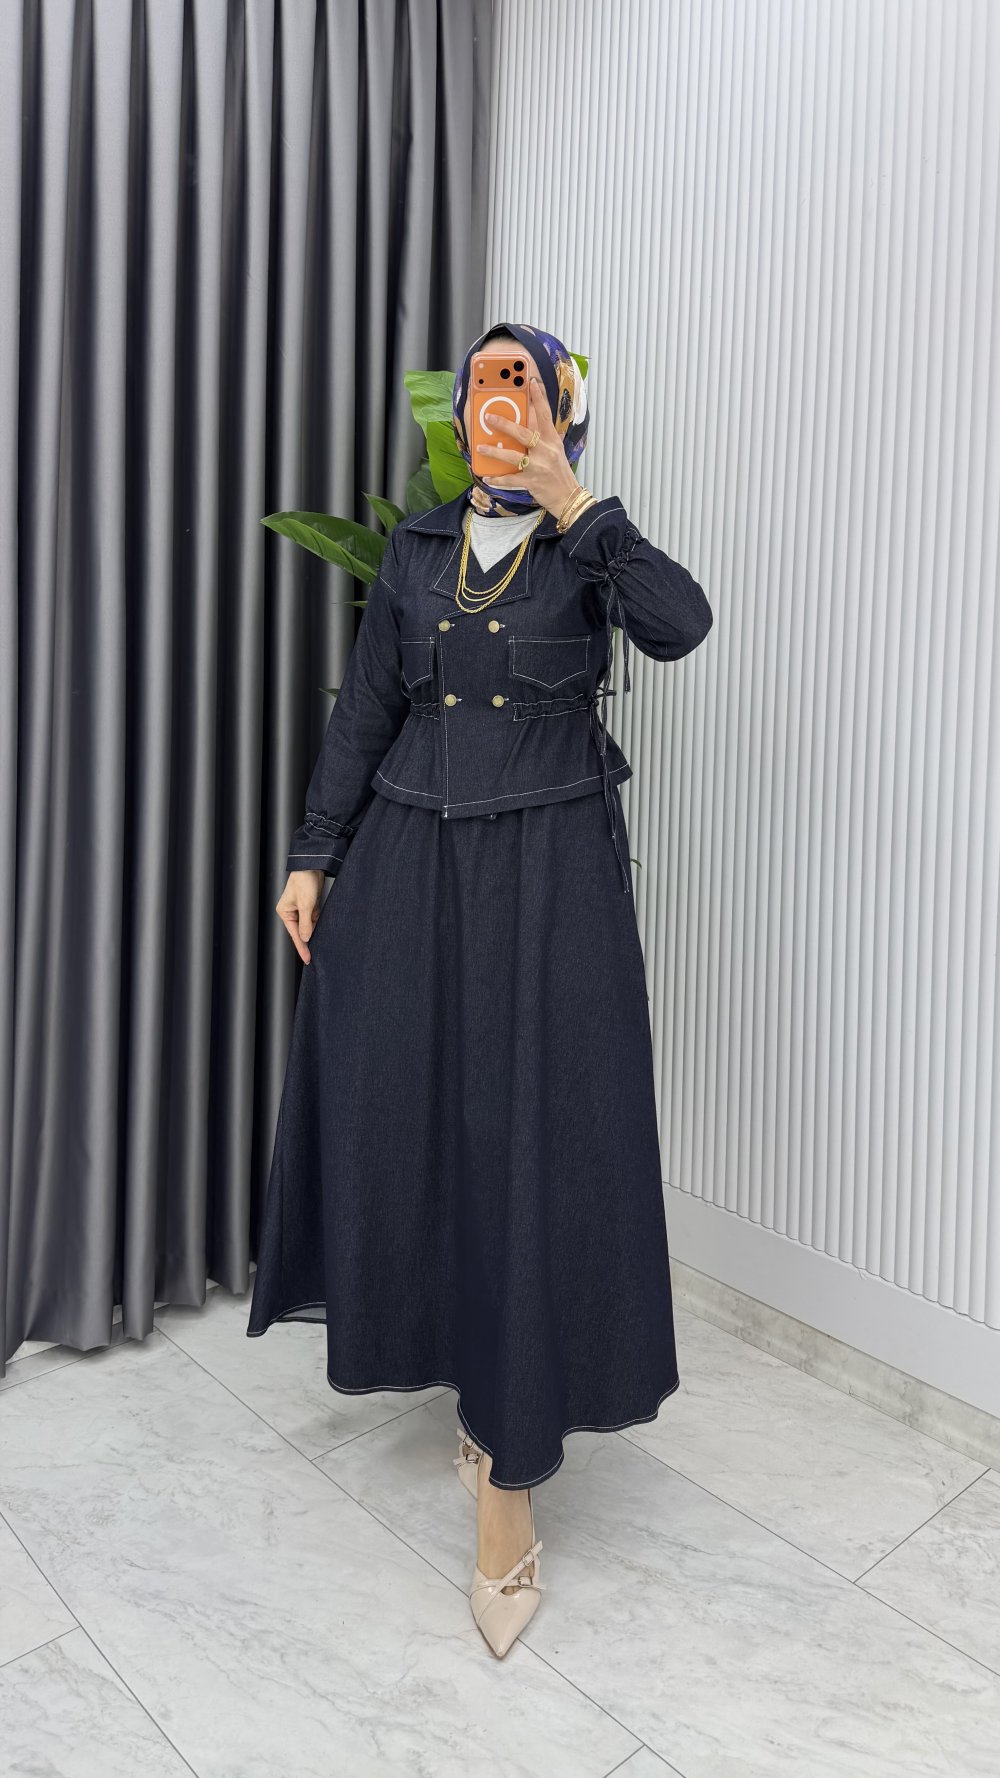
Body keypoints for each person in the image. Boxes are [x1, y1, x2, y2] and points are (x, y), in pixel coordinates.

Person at [247, 320, 713, 1657]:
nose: (499, 400)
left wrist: (577, 500)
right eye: (484, 383)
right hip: (409, 870)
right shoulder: (413, 551)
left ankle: (508, 1482)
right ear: (460, 416)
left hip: (553, 884)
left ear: (563, 408)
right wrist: (314, 853)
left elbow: (682, 627)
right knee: (417, 1124)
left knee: (537, 1146)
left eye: (526, 381)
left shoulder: (591, 544)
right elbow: (367, 710)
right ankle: (464, 1380)